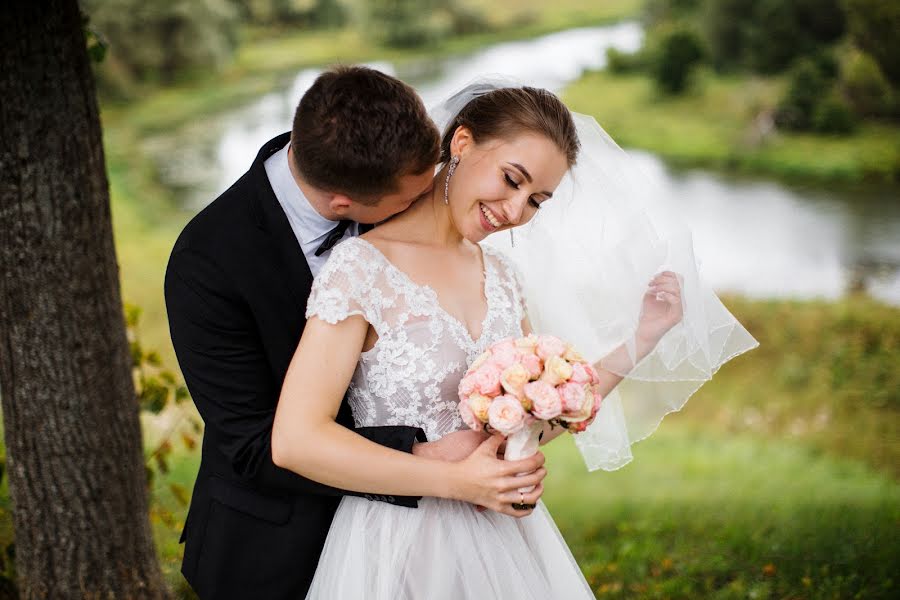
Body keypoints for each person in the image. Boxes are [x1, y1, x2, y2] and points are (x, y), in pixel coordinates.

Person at [271, 84, 691, 598]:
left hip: (502, 544)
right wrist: (458, 482)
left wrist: (642, 336)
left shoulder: (503, 277)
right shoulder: (360, 267)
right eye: (512, 180)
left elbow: (534, 416)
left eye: (536, 200)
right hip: (395, 546)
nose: (515, 211)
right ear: (462, 142)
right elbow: (296, 441)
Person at [164, 67, 548, 600]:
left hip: (432, 540)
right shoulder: (206, 259)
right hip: (276, 540)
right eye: (412, 197)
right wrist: (425, 458)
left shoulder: (386, 161)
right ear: (344, 204)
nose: (431, 196)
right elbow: (252, 442)